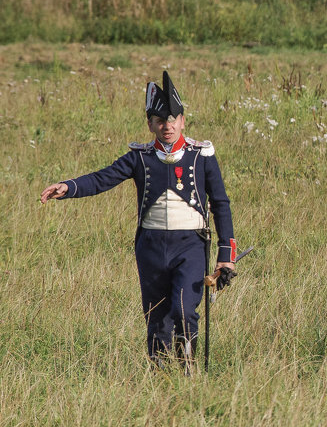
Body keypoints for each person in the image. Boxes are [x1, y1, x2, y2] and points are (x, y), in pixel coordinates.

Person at [39, 72, 236, 372]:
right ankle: (160, 377)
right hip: (151, 247)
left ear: (183, 121)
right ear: (150, 124)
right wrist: (69, 187)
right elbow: (102, 178)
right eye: (159, 120)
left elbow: (220, 204)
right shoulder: (139, 158)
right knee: (156, 316)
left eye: (172, 119)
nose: (166, 126)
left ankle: (189, 372)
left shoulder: (202, 156)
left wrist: (227, 256)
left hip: (190, 246)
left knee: (184, 309)